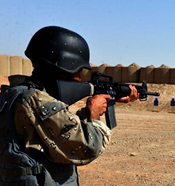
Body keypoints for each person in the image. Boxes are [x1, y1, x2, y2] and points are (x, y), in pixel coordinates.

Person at [0, 26, 138, 185]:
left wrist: (90, 110)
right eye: (79, 71)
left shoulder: (14, 94)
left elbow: (56, 128)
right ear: (66, 68)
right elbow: (86, 147)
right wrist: (94, 115)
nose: (80, 78)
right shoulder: (35, 100)